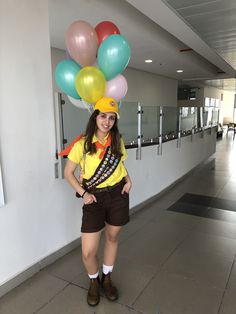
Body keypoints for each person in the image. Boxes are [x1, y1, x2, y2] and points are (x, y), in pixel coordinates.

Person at [64, 97, 132, 306]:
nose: (107, 121)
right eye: (103, 116)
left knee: (112, 238)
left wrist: (129, 179)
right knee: (88, 251)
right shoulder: (83, 143)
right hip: (94, 198)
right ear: (95, 117)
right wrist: (84, 193)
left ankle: (107, 277)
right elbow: (68, 173)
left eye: (111, 118)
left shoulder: (117, 139)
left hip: (117, 195)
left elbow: (120, 165)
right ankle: (94, 281)